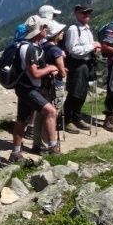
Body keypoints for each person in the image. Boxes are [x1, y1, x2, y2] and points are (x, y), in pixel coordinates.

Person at [10, 17, 62, 159]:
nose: (46, 29)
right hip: (28, 89)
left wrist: (49, 71)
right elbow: (35, 73)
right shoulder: (29, 48)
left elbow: (37, 71)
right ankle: (53, 148)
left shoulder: (35, 45)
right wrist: (51, 67)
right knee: (51, 111)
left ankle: (15, 152)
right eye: (44, 27)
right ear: (38, 30)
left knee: (22, 120)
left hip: (26, 87)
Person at [62, 4, 100, 134]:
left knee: (82, 92)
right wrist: (91, 46)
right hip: (77, 64)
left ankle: (77, 117)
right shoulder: (74, 29)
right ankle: (67, 120)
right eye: (84, 13)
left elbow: (87, 47)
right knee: (74, 92)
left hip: (87, 63)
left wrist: (94, 48)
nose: (87, 14)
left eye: (88, 12)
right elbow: (73, 49)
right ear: (76, 14)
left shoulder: (86, 29)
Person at [34, 20, 68, 151]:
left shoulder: (43, 47)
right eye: (60, 32)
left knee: (41, 112)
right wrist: (63, 70)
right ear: (55, 34)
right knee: (52, 114)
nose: (62, 33)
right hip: (56, 85)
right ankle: (46, 144)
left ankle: (37, 143)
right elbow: (62, 73)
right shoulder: (56, 50)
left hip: (43, 84)